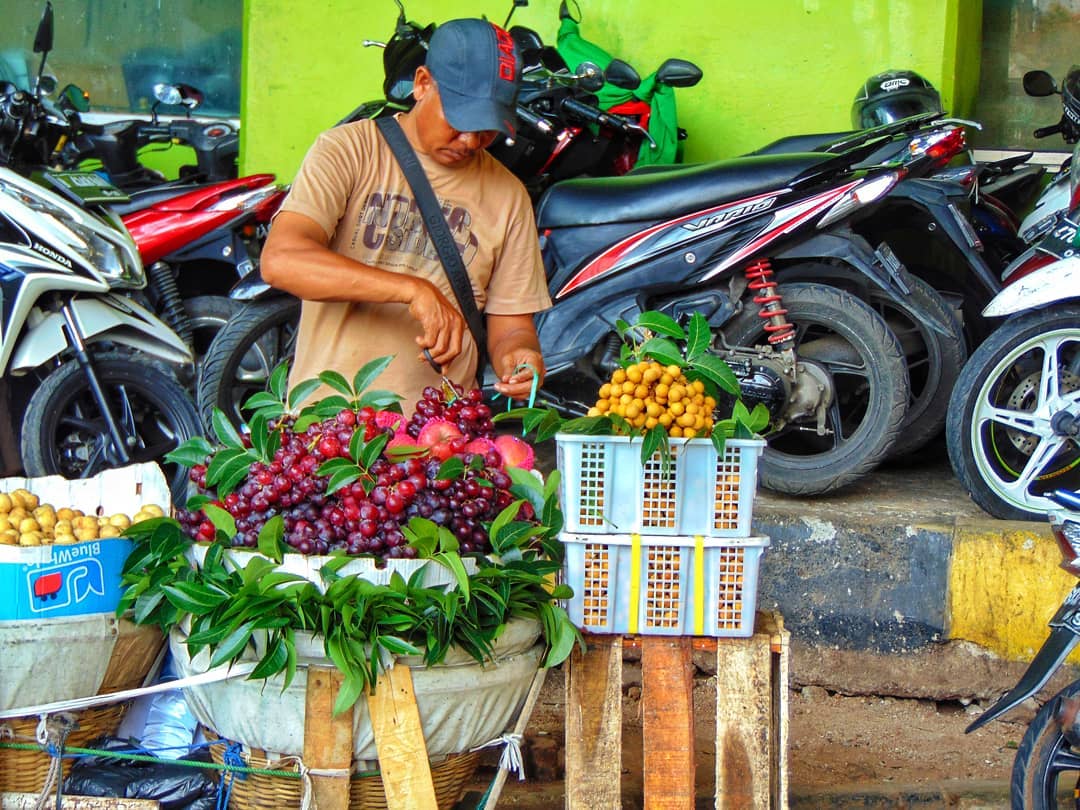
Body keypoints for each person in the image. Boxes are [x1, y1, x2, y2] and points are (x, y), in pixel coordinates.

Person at [260, 18, 551, 410]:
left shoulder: (509, 196)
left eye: (486, 128)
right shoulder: (348, 151)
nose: (470, 141)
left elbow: (511, 326)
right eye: (460, 119)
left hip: (440, 443)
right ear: (422, 83)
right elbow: (282, 261)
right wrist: (412, 290)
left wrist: (520, 357)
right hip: (331, 435)